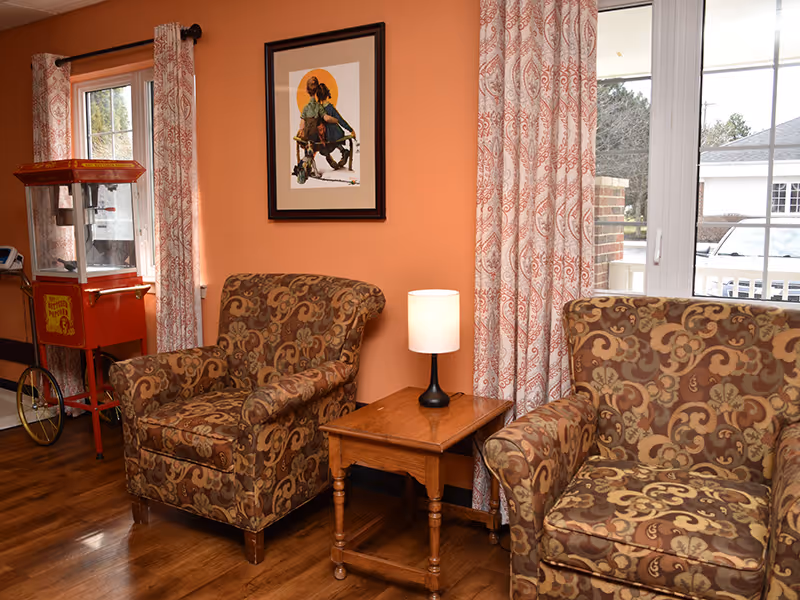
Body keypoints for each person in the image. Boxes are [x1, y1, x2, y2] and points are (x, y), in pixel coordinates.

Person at [315, 83, 355, 169]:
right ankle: (342, 152)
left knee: (324, 143)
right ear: (327, 94)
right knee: (331, 140)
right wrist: (350, 129)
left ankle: (330, 157)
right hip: (334, 132)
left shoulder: (318, 108)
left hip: (327, 134)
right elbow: (340, 120)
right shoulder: (330, 107)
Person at [297, 76, 325, 142]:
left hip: (307, 135)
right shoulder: (319, 106)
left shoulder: (305, 108)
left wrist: (301, 131)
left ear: (307, 90)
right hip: (316, 136)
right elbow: (325, 118)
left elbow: (302, 124)